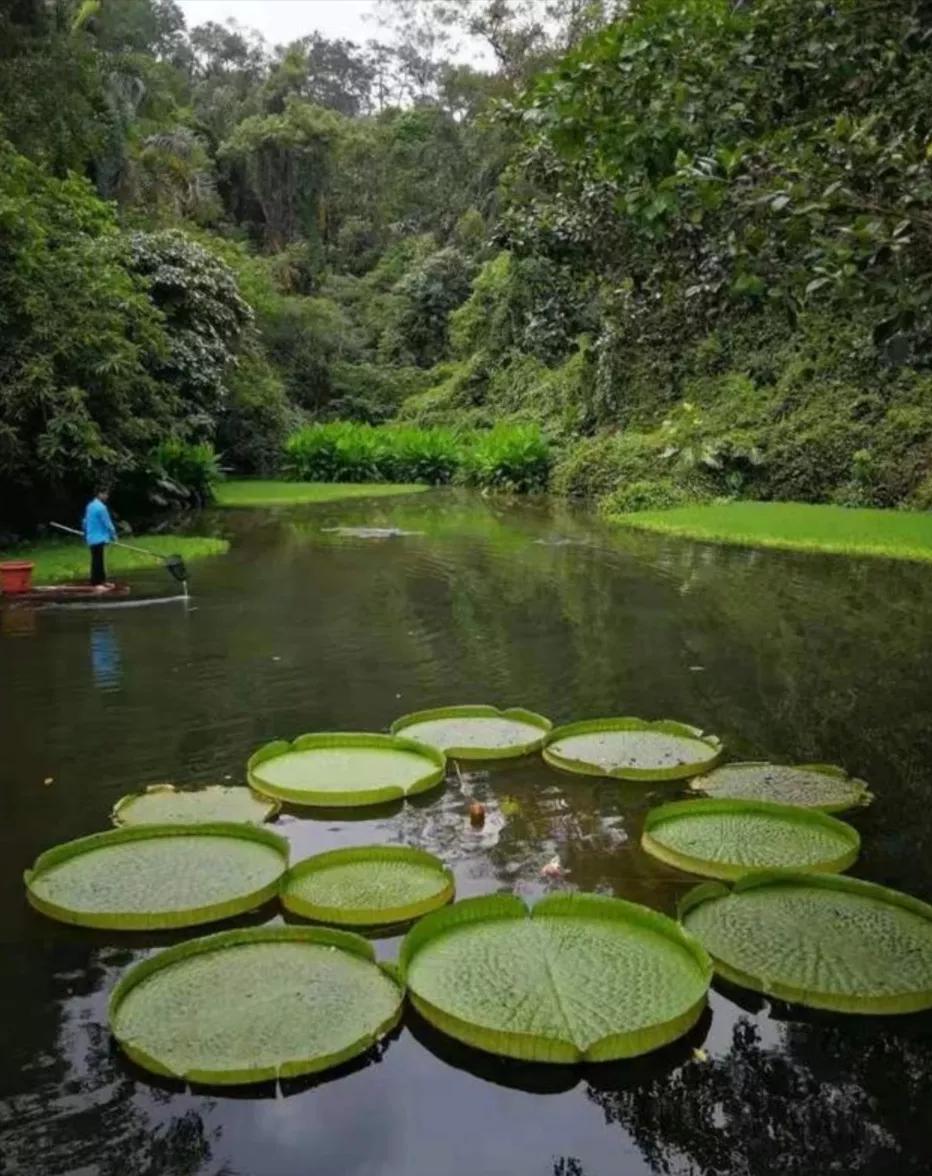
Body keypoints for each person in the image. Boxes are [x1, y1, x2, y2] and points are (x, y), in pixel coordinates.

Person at [83, 489, 117, 590]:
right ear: (99, 494)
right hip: (99, 538)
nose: (107, 496)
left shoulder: (90, 506)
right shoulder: (101, 508)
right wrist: (114, 535)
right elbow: (107, 523)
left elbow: (85, 521)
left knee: (98, 560)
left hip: (91, 537)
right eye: (105, 494)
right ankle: (96, 583)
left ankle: (101, 581)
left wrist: (86, 531)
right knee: (98, 561)